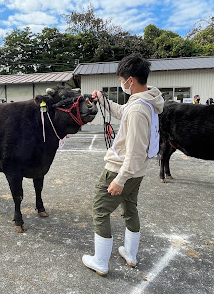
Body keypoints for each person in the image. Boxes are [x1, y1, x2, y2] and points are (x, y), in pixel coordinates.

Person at [82, 55, 164, 276]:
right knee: (129, 208)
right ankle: (130, 253)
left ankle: (100, 261)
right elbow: (122, 112)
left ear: (130, 80)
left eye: (121, 79)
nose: (121, 83)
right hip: (137, 172)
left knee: (100, 211)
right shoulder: (144, 101)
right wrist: (103, 99)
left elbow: (136, 151)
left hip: (121, 170)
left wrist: (119, 179)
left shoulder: (138, 109)